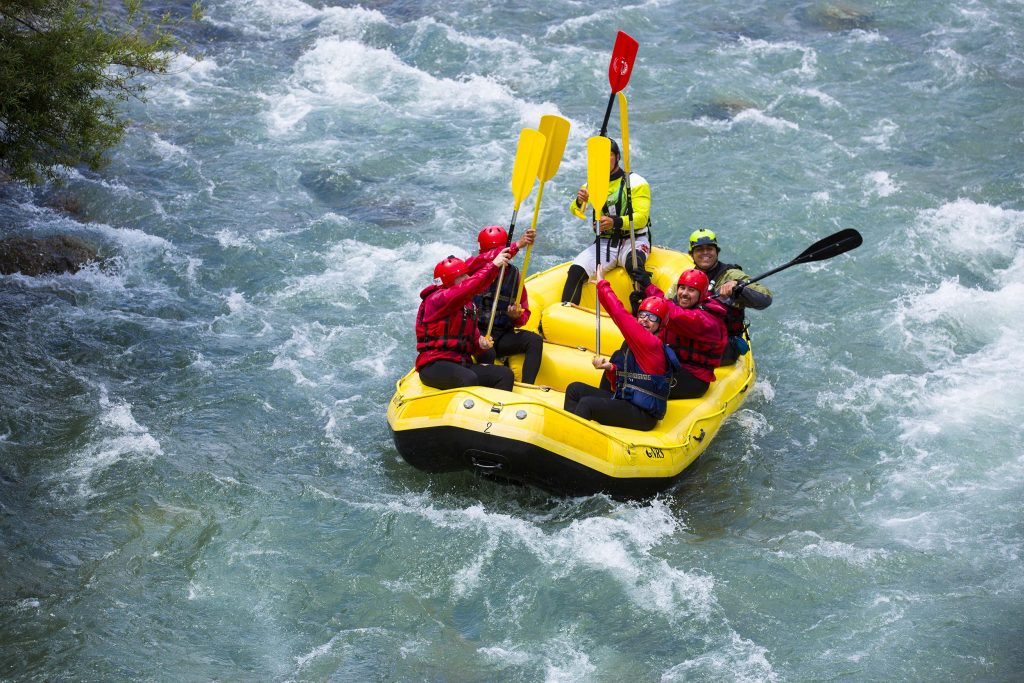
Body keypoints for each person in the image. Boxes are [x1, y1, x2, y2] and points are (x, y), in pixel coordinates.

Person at [563, 265, 681, 432]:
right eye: (642, 315)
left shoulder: (651, 344)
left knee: (587, 404)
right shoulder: (637, 344)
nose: (645, 320)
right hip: (626, 400)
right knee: (574, 389)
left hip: (643, 414)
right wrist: (611, 368)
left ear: (660, 325)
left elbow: (619, 314)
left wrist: (603, 284)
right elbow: (634, 376)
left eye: (652, 317)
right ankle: (565, 435)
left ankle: (572, 440)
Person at [560, 137, 652, 304]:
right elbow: (576, 211)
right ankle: (566, 312)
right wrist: (581, 201)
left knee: (636, 267)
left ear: (617, 157)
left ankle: (650, 313)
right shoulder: (590, 184)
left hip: (633, 239)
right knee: (575, 272)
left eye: (608, 155)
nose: (603, 160)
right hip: (605, 242)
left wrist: (614, 222)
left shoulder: (636, 182)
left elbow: (641, 219)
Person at [415, 249, 515, 392]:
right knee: (469, 378)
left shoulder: (468, 305)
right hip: (434, 364)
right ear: (450, 280)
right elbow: (470, 286)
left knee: (504, 374)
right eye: (462, 275)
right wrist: (493, 265)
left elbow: (473, 341)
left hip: (460, 363)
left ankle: (495, 412)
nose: (468, 276)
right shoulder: (436, 300)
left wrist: (480, 344)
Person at [636, 268, 728, 399]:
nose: (684, 293)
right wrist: (640, 308)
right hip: (671, 367)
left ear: (701, 294)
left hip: (694, 378)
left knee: (635, 385)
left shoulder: (706, 320)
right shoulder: (678, 307)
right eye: (682, 288)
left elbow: (675, 315)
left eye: (691, 290)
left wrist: (649, 288)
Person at [688, 228, 772, 365]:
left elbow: (765, 299)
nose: (705, 253)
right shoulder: (690, 277)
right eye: (699, 249)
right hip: (695, 338)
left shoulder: (731, 275)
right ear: (691, 254)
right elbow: (669, 304)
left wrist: (738, 287)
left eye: (709, 249)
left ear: (717, 252)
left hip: (724, 345)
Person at [473, 226, 544, 385]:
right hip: (476, 334)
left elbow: (524, 313)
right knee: (487, 351)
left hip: (502, 335)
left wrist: (516, 317)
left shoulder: (514, 275)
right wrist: (518, 244)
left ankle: (527, 386)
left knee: (534, 341)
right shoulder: (473, 271)